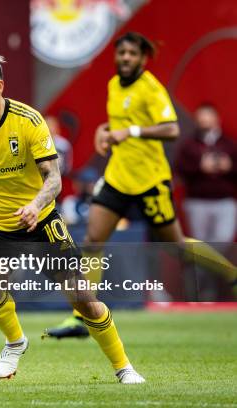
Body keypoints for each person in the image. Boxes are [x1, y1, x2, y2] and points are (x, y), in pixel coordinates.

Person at [0, 48, 145, 383]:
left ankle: (123, 367)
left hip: (39, 220)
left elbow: (53, 178)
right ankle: (15, 342)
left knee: (84, 300)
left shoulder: (29, 122)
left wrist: (35, 205)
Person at [46, 32, 237, 339]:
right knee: (93, 240)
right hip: (118, 178)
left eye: (132, 54)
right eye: (121, 53)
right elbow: (119, 124)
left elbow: (172, 128)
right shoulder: (112, 85)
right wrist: (104, 130)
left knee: (176, 247)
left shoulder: (150, 88)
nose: (125, 58)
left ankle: (232, 275)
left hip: (149, 180)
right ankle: (82, 318)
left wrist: (131, 131)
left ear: (142, 58)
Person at [175, 104, 236, 242]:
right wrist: (199, 166)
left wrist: (229, 166)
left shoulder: (229, 144)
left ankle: (211, 262)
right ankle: (207, 263)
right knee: (200, 242)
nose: (205, 120)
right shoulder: (189, 145)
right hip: (197, 201)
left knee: (223, 239)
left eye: (208, 116)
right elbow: (180, 169)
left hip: (224, 201)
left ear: (216, 118)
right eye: (201, 117)